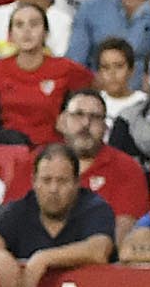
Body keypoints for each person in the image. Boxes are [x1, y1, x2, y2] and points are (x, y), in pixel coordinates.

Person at [0, 143, 114, 287]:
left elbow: (98, 250)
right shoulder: (21, 208)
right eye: (46, 180)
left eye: (62, 181)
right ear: (34, 181)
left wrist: (43, 258)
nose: (53, 189)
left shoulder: (94, 208)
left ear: (77, 183)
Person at [0, 2, 93, 143]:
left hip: (53, 150)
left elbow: (95, 89)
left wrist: (70, 117)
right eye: (19, 25)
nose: (27, 31)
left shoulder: (65, 68)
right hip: (9, 149)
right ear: (10, 36)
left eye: (34, 24)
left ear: (46, 33)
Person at [58, 87, 149, 238]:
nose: (86, 124)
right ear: (62, 121)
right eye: (78, 114)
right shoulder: (37, 162)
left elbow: (124, 235)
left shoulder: (127, 169)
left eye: (95, 117)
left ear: (105, 127)